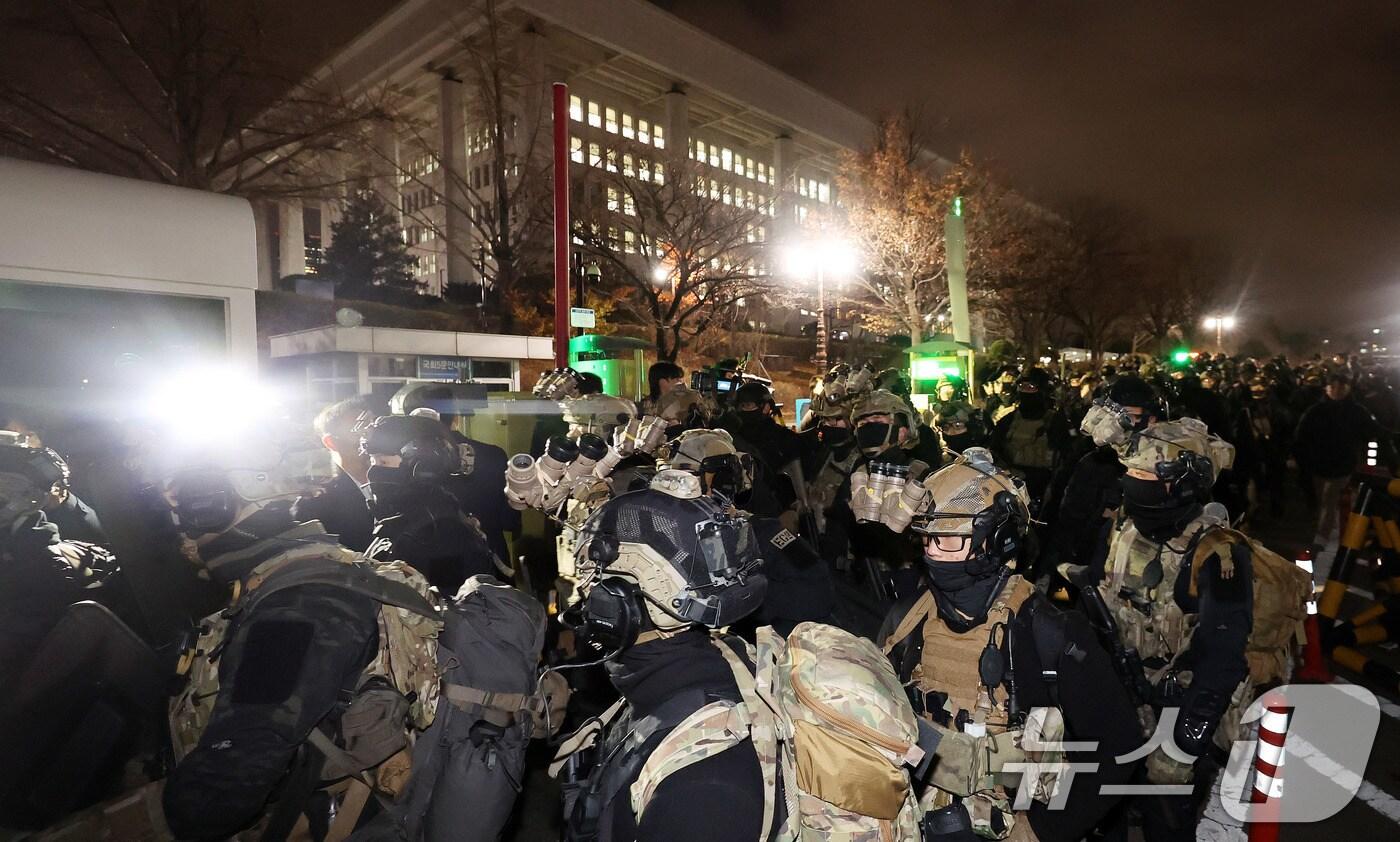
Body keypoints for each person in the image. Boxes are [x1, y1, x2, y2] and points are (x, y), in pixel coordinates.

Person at [160, 431, 439, 841]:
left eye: (187, 500)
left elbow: (222, 792)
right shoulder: (314, 569)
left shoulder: (293, 611)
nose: (179, 520)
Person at [879, 449, 1141, 841]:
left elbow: (1119, 746)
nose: (932, 550)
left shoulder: (1048, 632)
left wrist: (1041, 829)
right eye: (928, 538)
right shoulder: (909, 618)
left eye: (948, 539)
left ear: (995, 541)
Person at [555, 486, 771, 842]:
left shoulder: (704, 788)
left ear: (620, 604)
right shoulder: (671, 680)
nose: (583, 602)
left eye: (592, 586)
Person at [1087, 418, 1250, 842]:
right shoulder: (1124, 527)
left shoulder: (1218, 552)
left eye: (1147, 477)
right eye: (1132, 473)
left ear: (1183, 485)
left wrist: (1183, 746)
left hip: (1178, 705)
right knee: (1105, 810)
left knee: (1166, 818)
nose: (1134, 484)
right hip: (1123, 696)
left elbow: (1221, 660)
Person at [360, 414, 499, 597]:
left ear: (424, 467)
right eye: (372, 461)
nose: (372, 472)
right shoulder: (401, 520)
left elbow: (448, 607)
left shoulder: (443, 536)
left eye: (383, 462)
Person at [1047, 375, 1161, 578]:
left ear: (1151, 419)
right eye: (1113, 417)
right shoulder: (1090, 461)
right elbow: (1066, 515)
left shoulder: (1160, 465)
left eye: (1128, 417)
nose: (1116, 426)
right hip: (1087, 562)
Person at [1295, 372, 1393, 570]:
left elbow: (1374, 430)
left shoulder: (1356, 411)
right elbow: (1301, 436)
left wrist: (1390, 438)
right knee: (1323, 501)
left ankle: (1323, 538)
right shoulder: (1316, 411)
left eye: (1342, 387)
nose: (1337, 390)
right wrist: (1301, 458)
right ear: (1326, 388)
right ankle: (1329, 532)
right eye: (1333, 386)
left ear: (1348, 388)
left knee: (1330, 501)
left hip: (1343, 465)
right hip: (1318, 465)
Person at [292, 395, 378, 552]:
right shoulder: (315, 503)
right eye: (359, 431)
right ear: (331, 442)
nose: (370, 438)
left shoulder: (402, 483)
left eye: (372, 428)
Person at [989, 370, 1070, 514]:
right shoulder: (1009, 420)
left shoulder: (1055, 421)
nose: (1025, 391)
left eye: (1031, 387)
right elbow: (994, 449)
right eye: (1022, 386)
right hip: (1013, 482)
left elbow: (1066, 456)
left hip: (1044, 485)